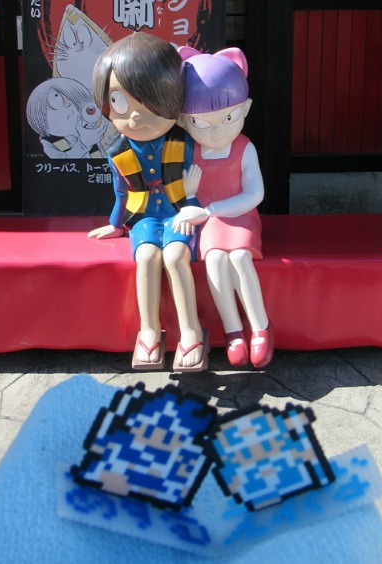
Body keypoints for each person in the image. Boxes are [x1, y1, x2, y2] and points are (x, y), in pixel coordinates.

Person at [88, 32, 208, 372]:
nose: (135, 116)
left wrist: (195, 203)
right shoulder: (119, 152)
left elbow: (201, 182)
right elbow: (121, 192)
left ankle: (191, 331)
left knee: (175, 256)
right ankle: (150, 331)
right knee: (147, 257)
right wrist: (115, 224)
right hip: (143, 217)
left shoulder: (184, 141)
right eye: (120, 102)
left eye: (148, 101)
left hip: (180, 211)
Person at [174, 47, 273, 368]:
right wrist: (189, 199)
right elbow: (185, 196)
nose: (216, 130)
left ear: (245, 109)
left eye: (228, 118)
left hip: (240, 217)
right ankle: (233, 331)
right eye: (201, 122)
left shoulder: (245, 148)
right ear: (183, 120)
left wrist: (209, 209)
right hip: (210, 223)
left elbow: (255, 194)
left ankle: (260, 327)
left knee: (240, 257)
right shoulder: (189, 151)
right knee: (215, 260)